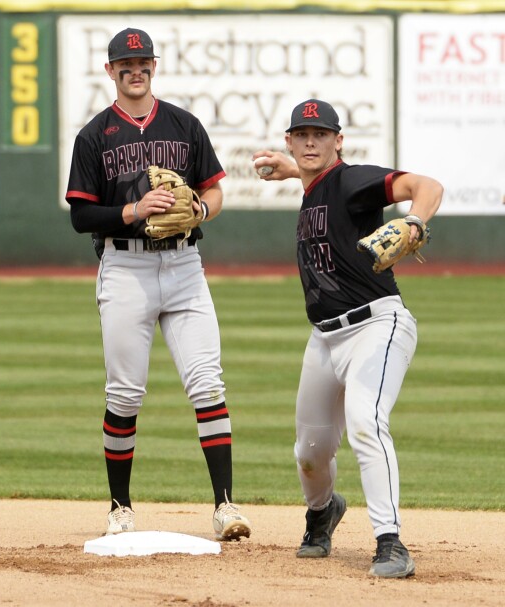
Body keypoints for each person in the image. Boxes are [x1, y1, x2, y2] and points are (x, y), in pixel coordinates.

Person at [64, 27, 252, 541]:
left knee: (207, 383)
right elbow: (81, 216)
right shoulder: (94, 135)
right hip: (125, 269)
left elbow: (215, 191)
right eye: (125, 63)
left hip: (185, 266)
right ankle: (120, 508)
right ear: (110, 71)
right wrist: (132, 209)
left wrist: (200, 211)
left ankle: (226, 507)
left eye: (143, 61)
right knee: (124, 394)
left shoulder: (184, 125)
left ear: (153, 65)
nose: (135, 69)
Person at [253, 99, 443, 578]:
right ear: (290, 141)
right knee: (310, 453)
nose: (311, 141)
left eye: (321, 134)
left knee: (365, 421)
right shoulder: (314, 183)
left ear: (339, 141)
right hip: (324, 339)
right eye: (302, 134)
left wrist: (415, 219)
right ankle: (322, 513)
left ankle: (390, 542)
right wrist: (293, 172)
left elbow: (427, 186)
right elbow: (318, 183)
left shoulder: (352, 180)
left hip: (377, 326)